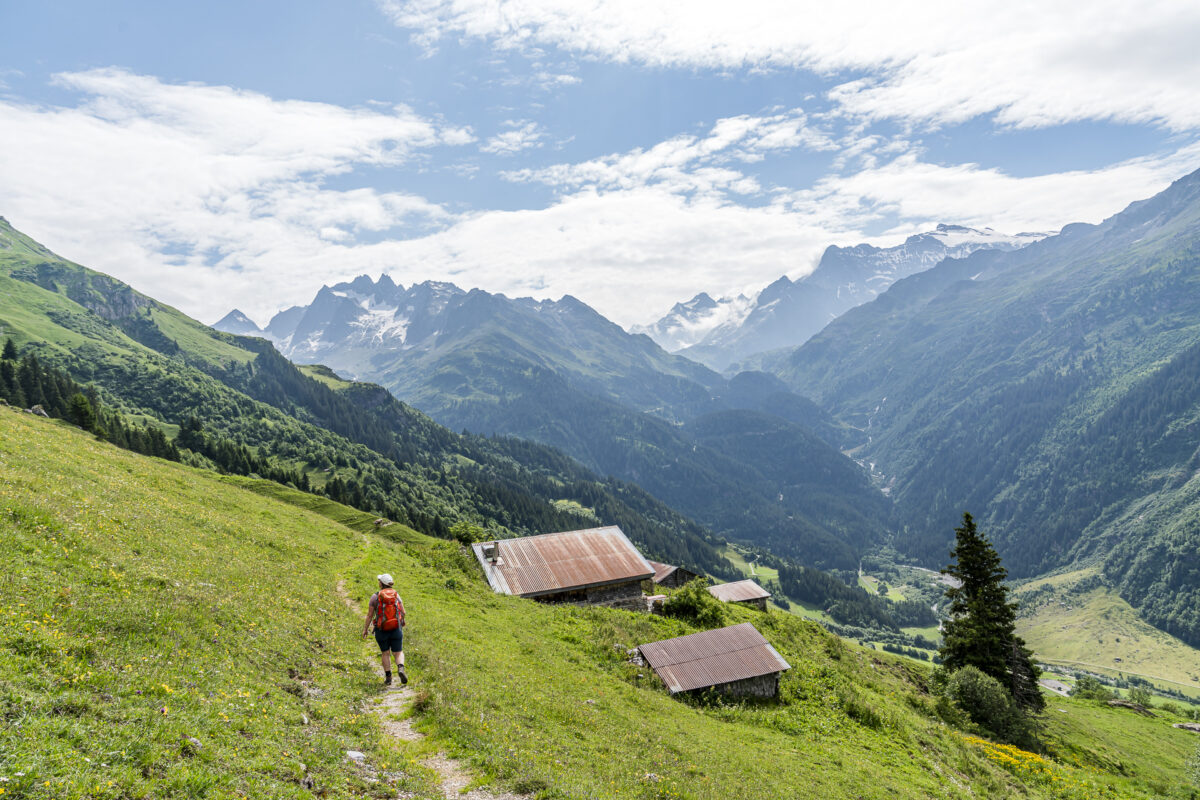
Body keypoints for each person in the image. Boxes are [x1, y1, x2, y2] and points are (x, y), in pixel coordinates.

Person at [361, 573, 406, 686]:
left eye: (379, 581)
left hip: (381, 629)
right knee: (398, 652)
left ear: (381, 584)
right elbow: (403, 612)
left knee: (385, 653)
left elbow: (370, 615)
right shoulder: (396, 595)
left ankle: (388, 677)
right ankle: (400, 668)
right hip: (396, 628)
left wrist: (365, 629)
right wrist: (401, 621)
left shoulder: (375, 597)